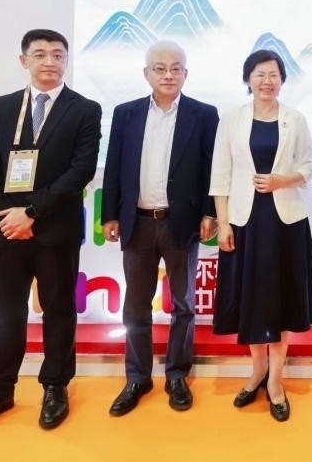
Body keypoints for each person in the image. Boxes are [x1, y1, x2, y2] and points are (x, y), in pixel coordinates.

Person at [0, 29, 101, 441]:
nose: (50, 61)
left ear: (66, 60)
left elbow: (81, 171)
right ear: (24, 61)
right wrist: (8, 215)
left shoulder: (85, 110)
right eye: (40, 54)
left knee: (59, 310)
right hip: (5, 232)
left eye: (58, 55)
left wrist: (31, 212)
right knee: (4, 313)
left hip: (56, 232)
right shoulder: (0, 108)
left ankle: (55, 386)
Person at [101, 40, 219, 416]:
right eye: (160, 68)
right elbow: (114, 166)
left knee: (183, 303)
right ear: (146, 73)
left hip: (181, 223)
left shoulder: (204, 114)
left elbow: (211, 169)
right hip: (137, 223)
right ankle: (137, 377)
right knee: (136, 304)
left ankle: (177, 375)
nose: (168, 74)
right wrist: (109, 215)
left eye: (175, 68)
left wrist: (209, 212)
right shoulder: (126, 113)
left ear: (186, 73)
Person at [210, 49, 312, 422]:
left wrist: (280, 180)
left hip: (285, 222)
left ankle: (276, 380)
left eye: (273, 74)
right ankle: (256, 371)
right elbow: (220, 175)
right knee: (251, 300)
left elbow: (308, 167)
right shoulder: (231, 119)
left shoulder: (295, 119)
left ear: (282, 80)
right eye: (259, 74)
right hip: (245, 221)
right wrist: (223, 223)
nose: (267, 81)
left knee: (282, 300)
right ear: (248, 79)